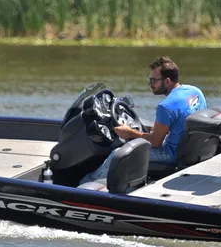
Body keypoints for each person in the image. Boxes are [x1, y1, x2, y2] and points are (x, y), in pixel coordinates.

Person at [80, 56, 207, 185]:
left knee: (117, 154)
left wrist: (130, 133)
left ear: (167, 81)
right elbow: (181, 121)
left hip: (172, 154)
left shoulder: (166, 106)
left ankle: (86, 184)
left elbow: (155, 142)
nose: (150, 84)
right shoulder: (195, 91)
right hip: (191, 149)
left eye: (153, 80)